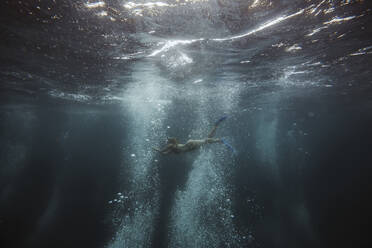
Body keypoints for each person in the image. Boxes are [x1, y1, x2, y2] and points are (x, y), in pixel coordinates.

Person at [153, 116, 228, 155]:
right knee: (207, 140)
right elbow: (164, 153)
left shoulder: (171, 146)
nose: (167, 143)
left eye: (168, 141)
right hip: (191, 145)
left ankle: (219, 140)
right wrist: (159, 151)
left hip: (190, 145)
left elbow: (162, 151)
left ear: (170, 142)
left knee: (207, 140)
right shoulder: (173, 148)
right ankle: (216, 126)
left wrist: (155, 149)